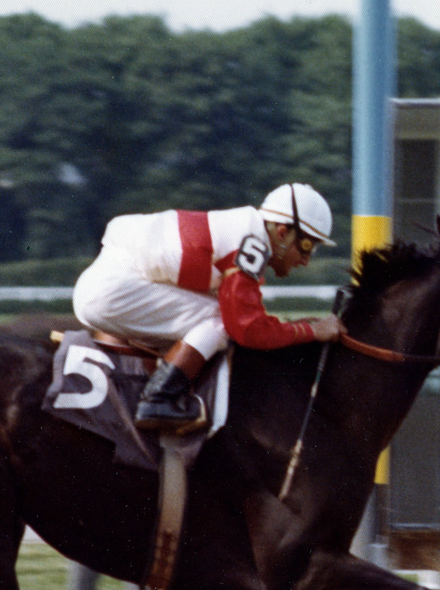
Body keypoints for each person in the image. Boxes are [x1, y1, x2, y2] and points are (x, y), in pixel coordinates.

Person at [72, 183, 344, 432]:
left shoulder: (246, 233)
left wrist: (299, 326)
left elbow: (253, 320)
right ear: (282, 232)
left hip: (110, 285)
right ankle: (159, 399)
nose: (307, 260)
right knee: (221, 320)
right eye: (307, 246)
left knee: (216, 312)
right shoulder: (252, 244)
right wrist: (311, 331)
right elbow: (247, 330)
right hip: (111, 291)